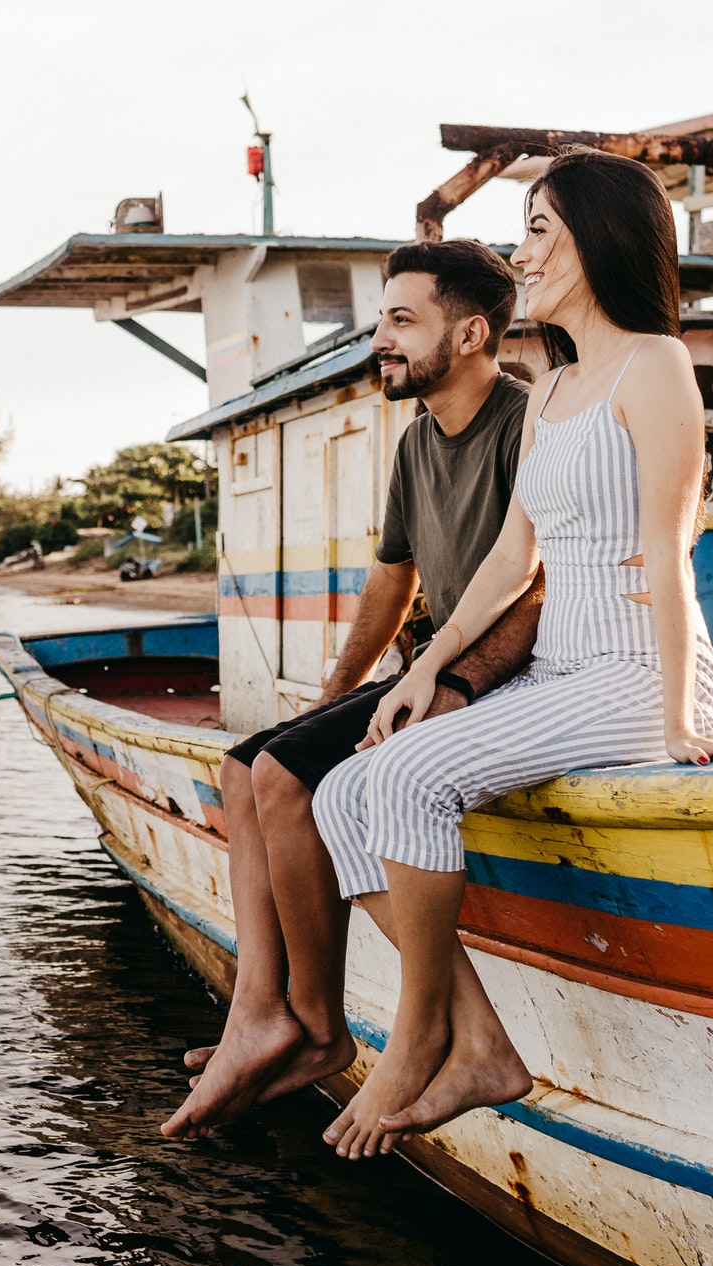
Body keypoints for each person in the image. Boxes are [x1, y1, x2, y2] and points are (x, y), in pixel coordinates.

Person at [309, 148, 713, 1161]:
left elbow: (667, 547)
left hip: (639, 672)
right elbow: (515, 555)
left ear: (597, 241)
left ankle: (419, 1031)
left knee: (413, 778)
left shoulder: (655, 368)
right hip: (562, 670)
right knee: (346, 791)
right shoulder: (552, 387)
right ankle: (476, 1038)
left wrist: (689, 723)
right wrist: (428, 667)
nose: (526, 255)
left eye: (540, 232)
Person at [161, 239, 545, 1140]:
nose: (382, 338)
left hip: (494, 676)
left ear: (471, 334)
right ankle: (261, 1008)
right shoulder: (418, 439)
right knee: (242, 765)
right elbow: (392, 581)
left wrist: (445, 682)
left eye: (402, 320)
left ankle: (320, 1024)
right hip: (425, 665)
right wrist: (335, 696)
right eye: (383, 319)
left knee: (290, 779)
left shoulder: (525, 424)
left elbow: (536, 582)